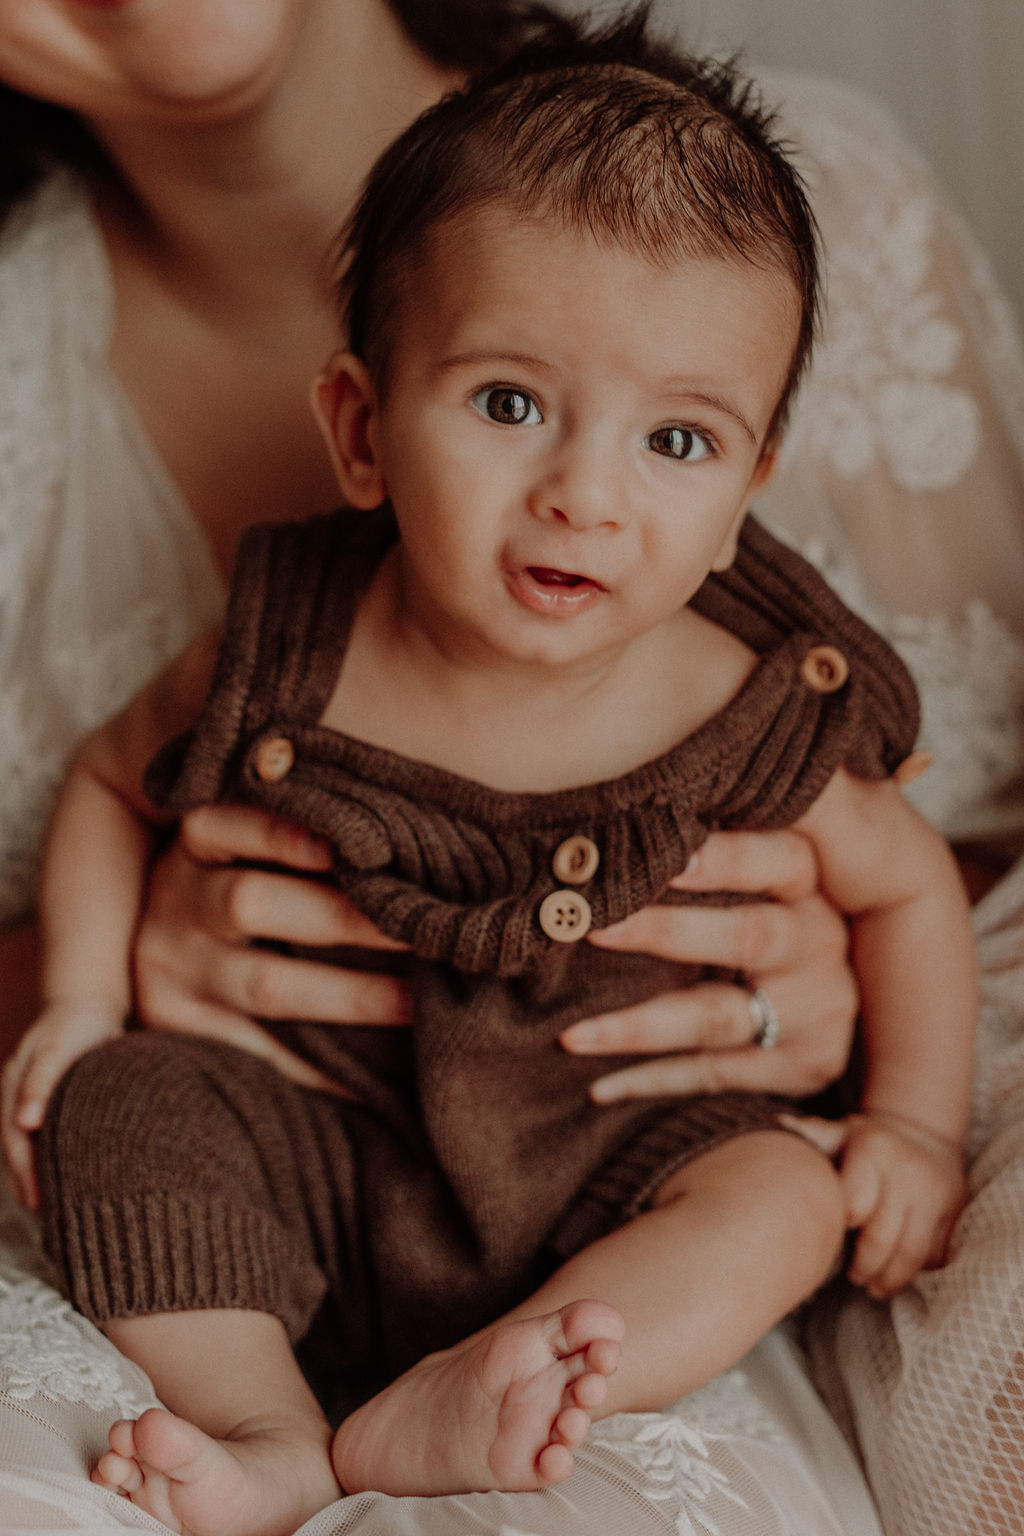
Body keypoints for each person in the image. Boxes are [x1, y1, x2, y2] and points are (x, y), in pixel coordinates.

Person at [0, 4, 1021, 1536]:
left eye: (676, 444)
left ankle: (499, 1381)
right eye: (508, 405)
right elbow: (100, 778)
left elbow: (908, 894)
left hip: (618, 1149)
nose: (585, 497)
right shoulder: (297, 641)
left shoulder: (745, 697)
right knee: (121, 1108)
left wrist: (912, 1128)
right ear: (357, 429)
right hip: (318, 1136)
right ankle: (266, 1425)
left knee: (780, 1196)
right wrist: (79, 999)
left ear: (750, 492)